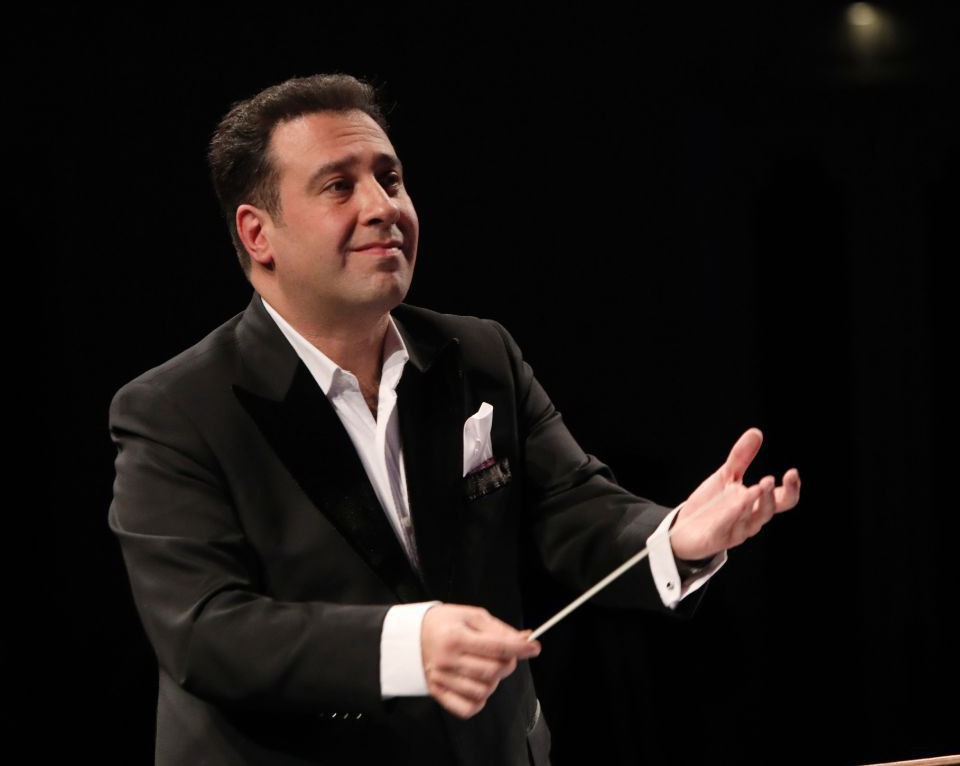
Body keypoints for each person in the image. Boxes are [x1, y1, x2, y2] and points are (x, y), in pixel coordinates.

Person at [108, 73, 800, 765]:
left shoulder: (479, 354)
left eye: (390, 178)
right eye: (340, 186)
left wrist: (674, 538)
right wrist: (409, 644)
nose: (384, 206)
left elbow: (574, 510)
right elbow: (205, 632)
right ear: (258, 234)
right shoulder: (176, 410)